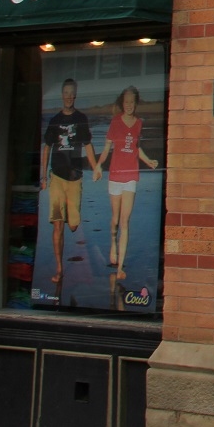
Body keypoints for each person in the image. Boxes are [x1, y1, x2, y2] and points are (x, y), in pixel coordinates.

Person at [40, 79, 99, 285]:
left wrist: (96, 167)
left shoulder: (81, 118)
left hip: (75, 177)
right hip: (56, 177)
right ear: (62, 95)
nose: (68, 97)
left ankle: (69, 216)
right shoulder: (55, 120)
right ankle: (59, 269)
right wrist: (43, 176)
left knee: (73, 225)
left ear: (75, 95)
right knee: (58, 225)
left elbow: (88, 145)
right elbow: (47, 148)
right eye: (65, 93)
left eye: (71, 93)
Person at [96, 86, 159, 274]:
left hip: (131, 176)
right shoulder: (115, 122)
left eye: (132, 102)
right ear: (122, 103)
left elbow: (136, 147)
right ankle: (113, 244)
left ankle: (120, 267)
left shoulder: (139, 123)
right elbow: (106, 148)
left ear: (136, 103)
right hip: (115, 175)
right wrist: (98, 165)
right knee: (115, 219)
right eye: (126, 102)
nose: (129, 105)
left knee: (125, 221)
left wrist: (148, 161)